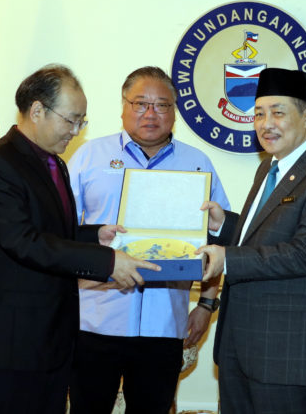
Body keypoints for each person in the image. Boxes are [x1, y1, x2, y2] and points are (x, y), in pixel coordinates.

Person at [0, 64, 159, 414]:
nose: (76, 131)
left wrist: (95, 236)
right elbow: (24, 242)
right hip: (12, 345)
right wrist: (107, 262)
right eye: (71, 120)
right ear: (37, 110)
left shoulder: (54, 163)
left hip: (52, 341)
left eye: (81, 121)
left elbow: (51, 231)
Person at [67, 66, 230, 414]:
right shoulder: (88, 157)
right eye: (141, 103)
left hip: (164, 325)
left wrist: (206, 306)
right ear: (123, 106)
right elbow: (61, 234)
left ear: (175, 112)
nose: (151, 114)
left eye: (162, 105)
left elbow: (218, 241)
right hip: (95, 320)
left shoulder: (197, 164)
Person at [197, 68, 306, 414]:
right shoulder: (268, 169)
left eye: (278, 113)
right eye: (258, 114)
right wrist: (225, 225)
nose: (266, 124)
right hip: (239, 345)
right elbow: (263, 234)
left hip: (285, 353)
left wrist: (228, 259)